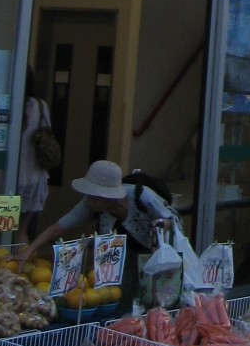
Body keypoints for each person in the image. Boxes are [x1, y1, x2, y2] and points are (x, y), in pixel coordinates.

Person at [16, 159, 175, 301]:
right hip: (124, 253)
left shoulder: (142, 196)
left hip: (155, 252)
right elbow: (57, 228)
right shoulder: (90, 205)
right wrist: (28, 252)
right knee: (122, 294)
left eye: (93, 197)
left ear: (108, 197)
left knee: (155, 298)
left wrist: (159, 226)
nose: (89, 201)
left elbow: (169, 219)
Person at [16, 67, 51, 243]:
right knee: (21, 231)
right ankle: (20, 265)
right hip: (32, 176)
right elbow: (48, 134)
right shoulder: (40, 106)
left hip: (3, 178)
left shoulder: (5, 103)